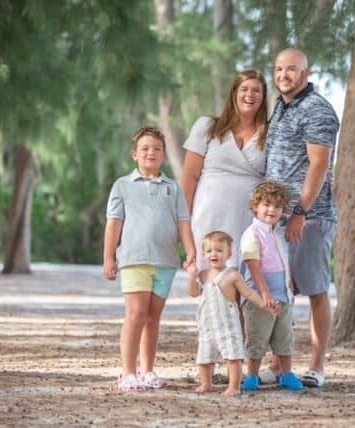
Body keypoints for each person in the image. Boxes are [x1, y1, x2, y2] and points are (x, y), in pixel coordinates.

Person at [263, 48, 340, 388]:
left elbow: (319, 164)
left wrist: (300, 212)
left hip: (309, 218)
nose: (283, 75)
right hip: (277, 219)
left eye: (291, 69)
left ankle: (317, 368)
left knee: (316, 291)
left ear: (306, 73)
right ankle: (280, 365)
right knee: (280, 292)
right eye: (279, 69)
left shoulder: (318, 109)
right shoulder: (281, 106)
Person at [103, 126, 195, 393]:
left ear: (164, 154)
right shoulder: (123, 185)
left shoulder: (173, 188)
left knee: (153, 318)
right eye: (145, 148)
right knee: (136, 314)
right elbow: (113, 224)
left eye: (156, 149)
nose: (150, 153)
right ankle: (128, 373)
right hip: (134, 259)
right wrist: (109, 257)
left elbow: (183, 223)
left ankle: (148, 370)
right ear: (135, 154)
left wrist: (190, 252)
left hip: (165, 261)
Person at [181, 69, 268, 272]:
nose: (250, 94)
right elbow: (189, 176)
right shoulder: (208, 126)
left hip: (248, 219)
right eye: (244, 89)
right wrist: (183, 222)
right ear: (234, 93)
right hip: (209, 214)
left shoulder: (270, 134)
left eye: (257, 90)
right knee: (210, 281)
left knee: (242, 282)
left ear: (263, 98)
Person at [186, 231, 275, 397]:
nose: (214, 254)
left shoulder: (233, 275)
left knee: (233, 358)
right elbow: (193, 293)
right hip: (208, 326)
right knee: (205, 358)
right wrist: (191, 276)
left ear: (229, 254)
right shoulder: (203, 275)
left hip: (228, 327)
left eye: (219, 250)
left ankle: (234, 386)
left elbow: (248, 293)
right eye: (210, 250)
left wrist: (264, 304)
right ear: (204, 254)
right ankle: (206, 383)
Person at [240, 181, 304, 392]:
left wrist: (290, 284)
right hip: (261, 297)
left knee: (284, 337)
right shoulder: (252, 234)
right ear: (255, 206)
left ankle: (286, 374)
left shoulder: (277, 233)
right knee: (257, 337)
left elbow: (284, 260)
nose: (272, 210)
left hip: (283, 296)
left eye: (277, 206)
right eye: (266, 204)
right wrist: (265, 293)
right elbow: (254, 265)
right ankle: (252, 376)